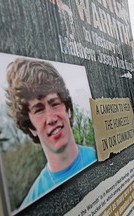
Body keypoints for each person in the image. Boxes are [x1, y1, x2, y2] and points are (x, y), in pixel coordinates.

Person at [5, 58, 97, 207]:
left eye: (54, 104)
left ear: (68, 109)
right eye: (39, 110)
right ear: (30, 127)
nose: (51, 119)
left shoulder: (100, 157)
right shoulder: (33, 203)